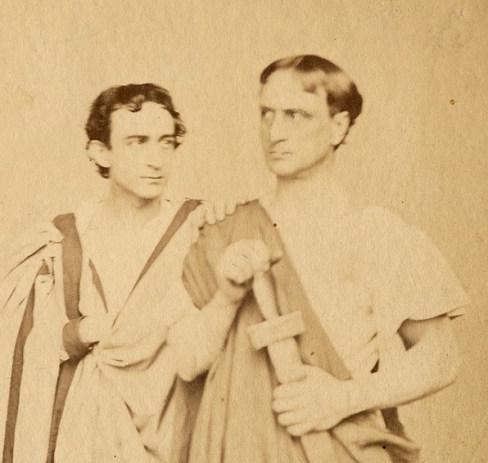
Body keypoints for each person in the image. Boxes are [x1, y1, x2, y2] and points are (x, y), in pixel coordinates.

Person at [183, 55, 469, 462]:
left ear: (338, 126)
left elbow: (442, 356)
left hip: (336, 450)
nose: (275, 132)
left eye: (296, 115)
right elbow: (184, 362)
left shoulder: (376, 231)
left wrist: (342, 398)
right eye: (266, 114)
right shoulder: (226, 226)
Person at [0, 84, 237, 462]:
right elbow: (21, 352)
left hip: (175, 434)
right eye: (137, 143)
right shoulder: (62, 241)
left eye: (166, 143)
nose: (156, 160)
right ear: (100, 151)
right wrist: (81, 332)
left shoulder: (199, 229)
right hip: (84, 438)